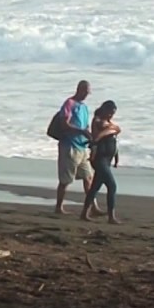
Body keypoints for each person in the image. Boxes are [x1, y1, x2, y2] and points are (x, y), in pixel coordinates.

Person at [54, 80, 101, 215]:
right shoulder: (69, 103)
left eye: (88, 93)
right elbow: (64, 124)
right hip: (69, 145)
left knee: (88, 177)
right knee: (65, 180)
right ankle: (59, 207)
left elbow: (85, 126)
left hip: (82, 147)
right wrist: (81, 131)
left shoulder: (84, 107)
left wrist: (90, 138)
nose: (86, 95)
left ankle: (94, 206)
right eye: (85, 92)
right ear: (79, 89)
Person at [81, 100, 122, 224]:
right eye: (109, 112)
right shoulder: (98, 120)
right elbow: (106, 131)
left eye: (113, 113)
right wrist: (113, 129)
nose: (111, 115)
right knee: (112, 186)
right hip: (99, 159)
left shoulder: (109, 123)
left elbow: (116, 132)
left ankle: (84, 213)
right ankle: (111, 216)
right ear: (104, 109)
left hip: (108, 158)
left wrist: (116, 158)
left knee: (95, 187)